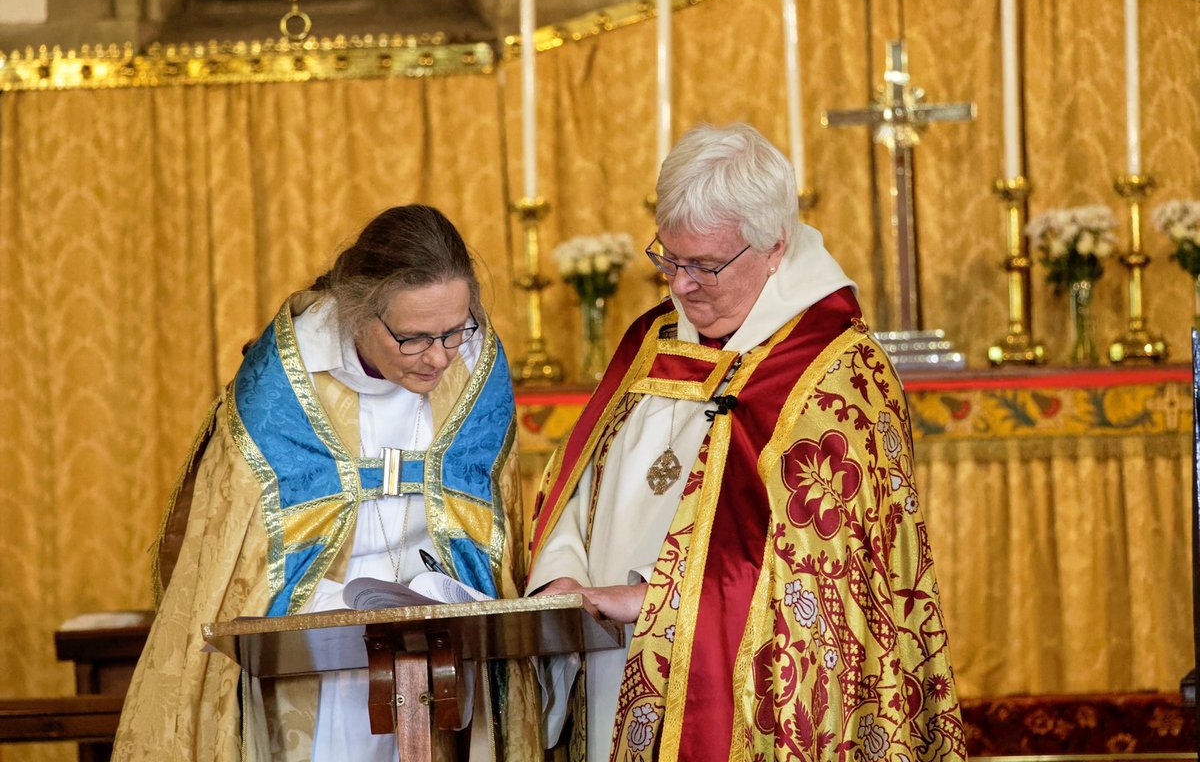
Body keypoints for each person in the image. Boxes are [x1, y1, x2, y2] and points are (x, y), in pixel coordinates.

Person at [526, 124, 965, 761]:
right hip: (605, 665)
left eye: (705, 265)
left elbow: (827, 580)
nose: (681, 285)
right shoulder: (652, 339)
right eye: (669, 259)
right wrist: (561, 578)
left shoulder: (838, 374)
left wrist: (659, 599)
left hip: (744, 703)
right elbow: (579, 480)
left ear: (774, 246)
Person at [114, 204, 540, 761]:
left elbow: (491, 524)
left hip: (449, 638)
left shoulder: (476, 364)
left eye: (455, 330)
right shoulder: (283, 384)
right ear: (358, 312)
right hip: (316, 646)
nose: (439, 357)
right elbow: (238, 561)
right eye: (414, 338)